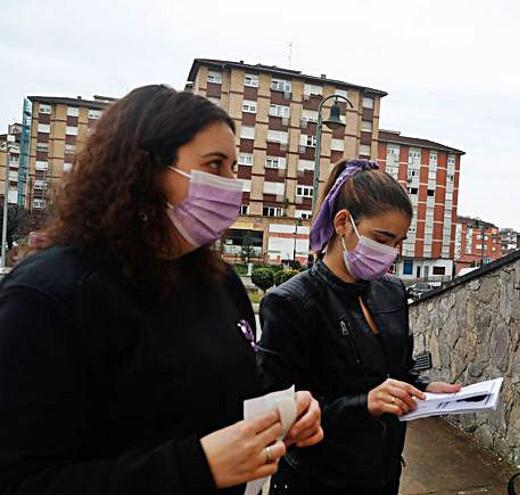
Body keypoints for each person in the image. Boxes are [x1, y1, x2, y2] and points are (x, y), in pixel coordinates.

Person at [0, 85, 324, 495]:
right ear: (145, 170)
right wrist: (196, 467)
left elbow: (227, 392)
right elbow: (22, 480)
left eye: (233, 167)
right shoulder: (48, 297)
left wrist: (280, 415)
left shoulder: (219, 282)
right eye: (215, 165)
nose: (233, 185)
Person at [257, 159, 460, 495]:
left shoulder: (390, 290)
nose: (391, 252)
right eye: (381, 238)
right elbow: (276, 411)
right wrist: (363, 403)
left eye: (398, 242)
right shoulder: (291, 302)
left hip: (382, 474)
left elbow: (400, 371)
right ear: (342, 223)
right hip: (318, 481)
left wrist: (425, 390)